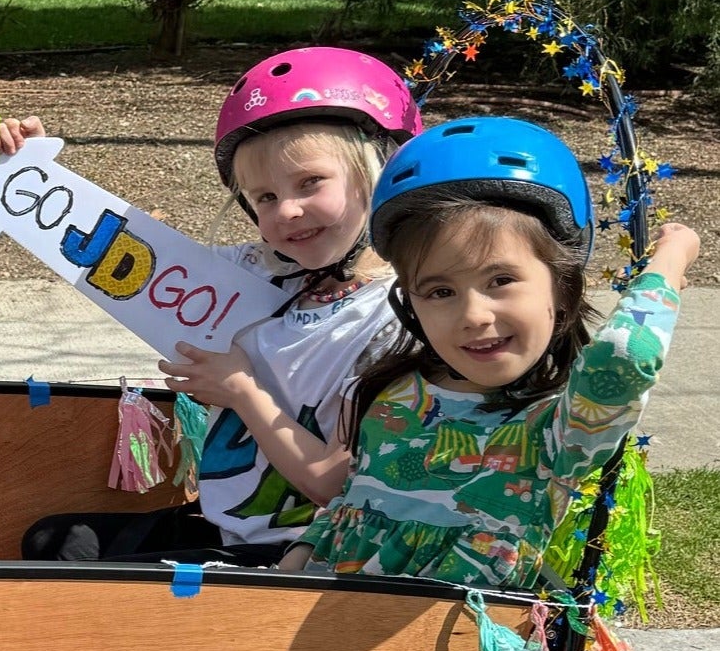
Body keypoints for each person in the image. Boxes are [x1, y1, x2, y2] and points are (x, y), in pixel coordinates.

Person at [6, 47, 420, 564]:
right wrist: (32, 177)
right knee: (53, 543)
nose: (288, 211)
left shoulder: (403, 316)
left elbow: (336, 484)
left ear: (381, 169)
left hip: (301, 551)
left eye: (311, 182)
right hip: (223, 527)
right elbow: (115, 253)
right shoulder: (253, 268)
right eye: (264, 198)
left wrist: (242, 392)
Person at [288, 116, 699, 588]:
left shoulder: (558, 429)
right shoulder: (399, 393)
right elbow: (354, 501)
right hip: (322, 626)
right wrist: (296, 561)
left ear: (563, 287)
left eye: (500, 281)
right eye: (439, 291)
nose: (473, 315)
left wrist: (668, 263)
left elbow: (626, 353)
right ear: (410, 303)